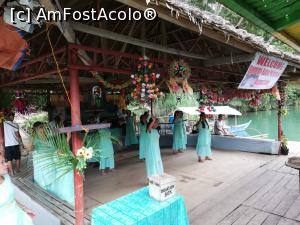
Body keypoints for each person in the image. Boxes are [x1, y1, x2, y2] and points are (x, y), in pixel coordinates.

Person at [0, 153, 35, 225]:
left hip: (19, 216)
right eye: (2, 162)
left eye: (5, 161)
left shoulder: (6, 177)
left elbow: (10, 198)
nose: (6, 164)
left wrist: (23, 208)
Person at [4, 112, 22, 176]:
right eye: (13, 116)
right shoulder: (15, 124)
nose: (13, 117)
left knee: (9, 159)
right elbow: (18, 135)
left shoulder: (2, 124)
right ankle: (17, 170)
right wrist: (21, 143)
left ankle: (12, 173)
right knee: (18, 157)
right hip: (15, 143)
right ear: (10, 116)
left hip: (7, 145)